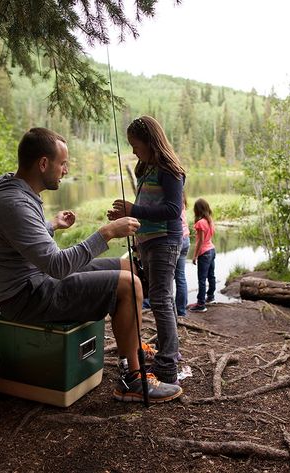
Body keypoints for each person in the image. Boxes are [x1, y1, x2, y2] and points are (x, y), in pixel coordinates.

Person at [0, 127, 182, 404]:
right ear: (44, 163)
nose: (65, 170)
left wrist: (51, 225)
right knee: (128, 286)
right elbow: (58, 266)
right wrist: (107, 233)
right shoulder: (14, 203)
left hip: (37, 281)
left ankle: (132, 345)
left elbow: (22, 241)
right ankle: (131, 379)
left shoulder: (17, 193)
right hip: (25, 297)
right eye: (62, 164)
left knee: (129, 270)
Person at [108, 116, 185, 385]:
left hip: (166, 240)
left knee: (161, 298)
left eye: (135, 145)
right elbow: (148, 206)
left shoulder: (170, 170)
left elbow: (174, 211)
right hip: (148, 241)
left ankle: (167, 364)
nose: (132, 151)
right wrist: (125, 217)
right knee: (160, 297)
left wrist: (135, 210)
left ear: (151, 142)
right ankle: (169, 354)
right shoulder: (145, 168)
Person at [189, 198, 216, 313]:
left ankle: (201, 304)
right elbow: (208, 237)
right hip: (212, 250)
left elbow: (200, 242)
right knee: (211, 276)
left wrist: (195, 256)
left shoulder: (200, 223)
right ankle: (210, 297)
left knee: (201, 279)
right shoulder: (209, 220)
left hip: (204, 253)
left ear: (197, 210)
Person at [175, 193, 190, 317]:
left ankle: (172, 311)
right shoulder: (182, 199)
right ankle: (181, 311)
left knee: (167, 278)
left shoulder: (173, 198)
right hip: (185, 239)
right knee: (180, 276)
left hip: (177, 239)